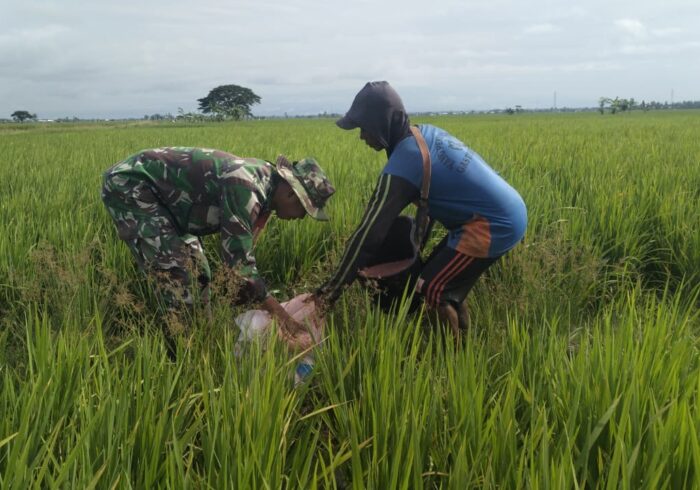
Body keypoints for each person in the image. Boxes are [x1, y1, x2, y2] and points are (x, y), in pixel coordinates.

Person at [316, 81, 527, 337]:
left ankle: (451, 357)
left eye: (364, 127)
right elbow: (431, 202)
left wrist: (327, 295)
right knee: (442, 282)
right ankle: (463, 345)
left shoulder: (405, 162)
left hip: (492, 224)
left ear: (382, 123)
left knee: (432, 289)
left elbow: (368, 235)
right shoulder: (422, 134)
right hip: (496, 213)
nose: (362, 136)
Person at [101, 147, 335, 348]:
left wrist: (243, 295)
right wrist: (283, 318)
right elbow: (240, 267)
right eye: (304, 210)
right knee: (179, 276)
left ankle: (204, 337)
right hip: (132, 186)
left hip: (170, 206)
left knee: (200, 273)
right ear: (292, 195)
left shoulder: (268, 187)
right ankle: (182, 353)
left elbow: (240, 260)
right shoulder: (247, 188)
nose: (300, 218)